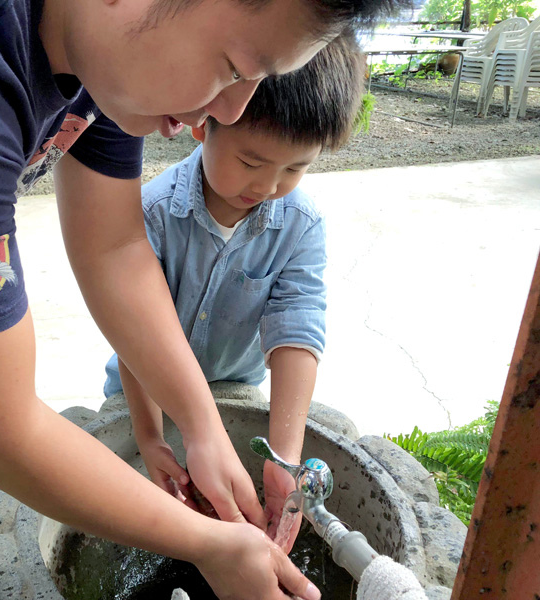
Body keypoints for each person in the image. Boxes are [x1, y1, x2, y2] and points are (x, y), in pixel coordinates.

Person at [0, 1, 405, 599]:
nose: (229, 112)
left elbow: (115, 250)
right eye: (233, 67)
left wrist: (202, 428)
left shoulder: (109, 53)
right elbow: (1, 426)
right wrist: (209, 545)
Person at [103, 33, 365, 553]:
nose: (268, 186)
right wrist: (150, 437)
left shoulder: (301, 225)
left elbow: (297, 326)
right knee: (145, 517)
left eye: (295, 168)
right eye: (251, 162)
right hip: (143, 393)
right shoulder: (152, 214)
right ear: (205, 121)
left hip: (233, 387)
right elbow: (133, 333)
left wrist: (284, 458)